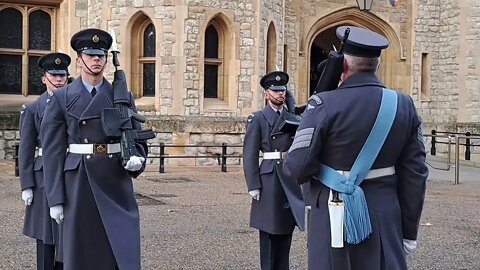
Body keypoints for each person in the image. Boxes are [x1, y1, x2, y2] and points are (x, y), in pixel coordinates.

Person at [282, 26, 428, 270]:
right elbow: (416, 173)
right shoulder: (404, 105)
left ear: (343, 66)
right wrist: (409, 231)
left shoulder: (323, 103)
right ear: (377, 65)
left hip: (331, 216)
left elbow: (297, 168)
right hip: (385, 215)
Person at [40, 28, 148, 270]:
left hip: (115, 180)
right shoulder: (62, 97)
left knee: (120, 249)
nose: (96, 59)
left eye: (101, 55)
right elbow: (52, 152)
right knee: (82, 254)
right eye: (90, 55)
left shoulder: (121, 96)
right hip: (79, 183)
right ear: (79, 59)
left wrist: (138, 158)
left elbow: (136, 136)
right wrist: (55, 198)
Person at [243, 71, 305, 270]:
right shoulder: (258, 118)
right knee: (269, 231)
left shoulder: (292, 117)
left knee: (286, 230)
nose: (280, 94)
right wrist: (253, 184)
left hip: (288, 176)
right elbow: (250, 154)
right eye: (275, 90)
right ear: (266, 93)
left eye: (282, 90)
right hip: (269, 177)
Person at [19, 52, 71, 270]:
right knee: (47, 233)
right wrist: (27, 185)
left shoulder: (74, 102)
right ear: (44, 78)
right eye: (54, 75)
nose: (59, 79)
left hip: (71, 170)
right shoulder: (33, 108)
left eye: (62, 75)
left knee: (70, 233)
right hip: (43, 177)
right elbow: (26, 148)